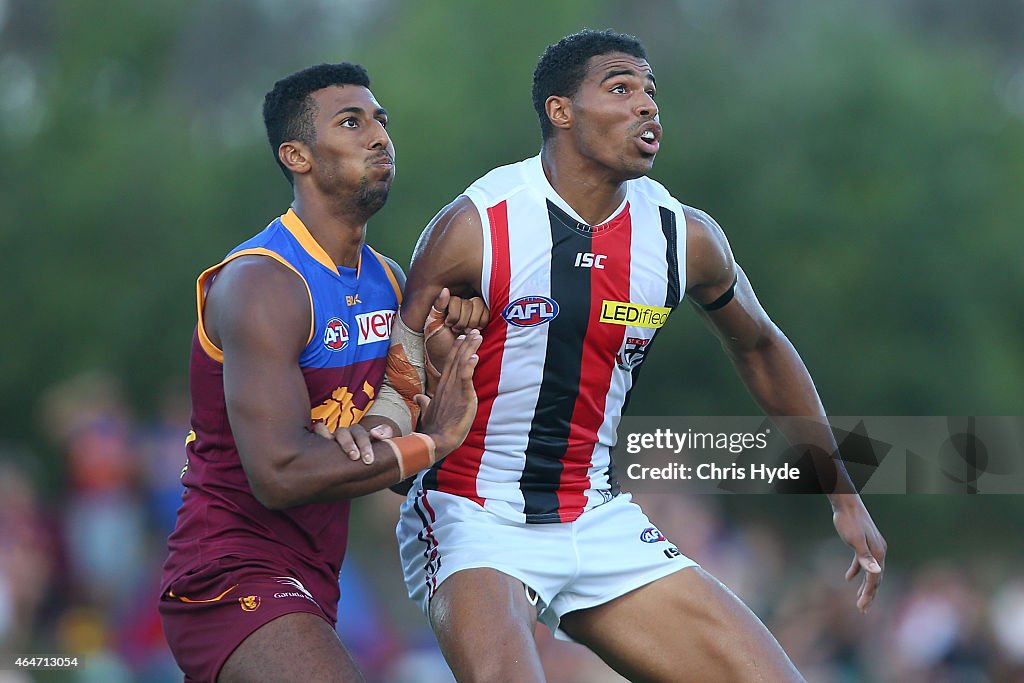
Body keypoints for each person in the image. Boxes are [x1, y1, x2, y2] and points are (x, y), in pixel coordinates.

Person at [394, 30, 887, 682]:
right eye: (621, 89)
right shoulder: (476, 225)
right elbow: (395, 387)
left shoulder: (683, 237)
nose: (647, 107)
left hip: (595, 515)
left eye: (651, 93)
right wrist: (420, 402)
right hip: (471, 513)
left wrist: (843, 492)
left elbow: (763, 348)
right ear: (561, 111)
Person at [158, 62, 485, 683]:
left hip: (316, 575)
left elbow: (388, 466)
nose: (379, 137)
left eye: (381, 121)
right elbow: (278, 475)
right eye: (351, 122)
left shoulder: (391, 283)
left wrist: (446, 365)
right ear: (297, 156)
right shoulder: (262, 283)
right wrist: (432, 438)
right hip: (228, 570)